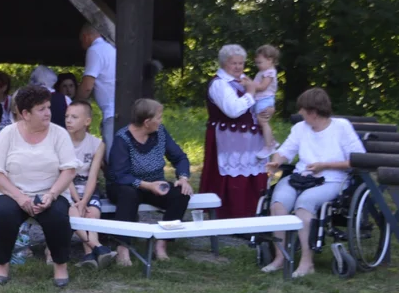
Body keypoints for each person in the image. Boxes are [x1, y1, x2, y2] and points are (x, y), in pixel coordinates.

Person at [0, 85, 78, 287]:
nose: (48, 113)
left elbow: (69, 170)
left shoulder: (59, 134)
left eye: (48, 107)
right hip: (13, 192)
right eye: (41, 109)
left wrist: (51, 195)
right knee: (3, 214)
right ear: (25, 114)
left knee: (59, 215)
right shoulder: (8, 134)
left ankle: (60, 265)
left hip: (50, 192)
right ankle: (2, 264)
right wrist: (19, 196)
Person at [263, 88, 365, 277]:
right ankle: (280, 257)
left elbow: (357, 160)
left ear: (313, 111)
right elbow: (286, 151)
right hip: (302, 177)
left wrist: (325, 165)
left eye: (302, 109)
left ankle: (307, 262)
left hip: (333, 179)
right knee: (278, 202)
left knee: (305, 204)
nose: (300, 113)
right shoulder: (301, 128)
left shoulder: (341, 127)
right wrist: (277, 161)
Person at [106, 98, 193, 265]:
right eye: (159, 117)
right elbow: (119, 174)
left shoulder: (160, 133)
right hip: (125, 186)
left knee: (181, 194)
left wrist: (183, 178)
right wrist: (147, 185)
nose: (161, 121)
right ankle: (122, 249)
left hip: (155, 184)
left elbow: (180, 157)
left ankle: (161, 244)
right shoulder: (122, 138)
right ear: (147, 122)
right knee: (128, 195)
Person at [200, 44, 270, 219]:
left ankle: (251, 213)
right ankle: (229, 216)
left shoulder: (244, 80)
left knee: (251, 174)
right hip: (227, 139)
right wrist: (251, 93)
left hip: (250, 138)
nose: (238, 67)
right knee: (231, 175)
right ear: (224, 64)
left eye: (241, 63)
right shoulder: (220, 84)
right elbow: (233, 110)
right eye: (234, 63)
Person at [64, 100, 115, 268]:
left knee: (91, 213)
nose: (68, 120)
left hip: (88, 190)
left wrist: (84, 201)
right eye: (67, 116)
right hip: (66, 189)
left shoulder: (97, 143)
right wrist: (77, 200)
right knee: (74, 212)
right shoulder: (61, 141)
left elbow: (93, 176)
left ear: (87, 121)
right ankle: (98, 248)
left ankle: (89, 256)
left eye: (74, 117)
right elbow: (65, 175)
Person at [76, 23, 116, 147]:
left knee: (112, 156)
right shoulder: (111, 48)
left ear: (86, 37)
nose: (82, 46)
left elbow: (87, 85)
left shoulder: (95, 50)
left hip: (111, 112)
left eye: (81, 41)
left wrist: (76, 103)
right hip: (118, 109)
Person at [251, 44, 280, 158]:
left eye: (260, 62)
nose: (258, 65)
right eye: (257, 63)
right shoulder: (263, 71)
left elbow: (263, 87)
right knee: (260, 122)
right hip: (260, 100)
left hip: (265, 100)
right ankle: (271, 141)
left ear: (270, 60)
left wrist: (249, 85)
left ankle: (269, 146)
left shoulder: (269, 72)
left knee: (263, 121)